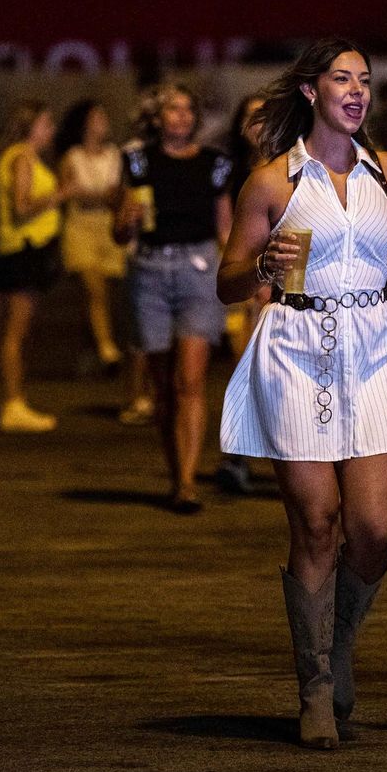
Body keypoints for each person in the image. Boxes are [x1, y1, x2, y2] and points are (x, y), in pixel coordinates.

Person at [218, 38, 387, 749]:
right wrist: (261, 261)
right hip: (296, 350)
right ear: (313, 91)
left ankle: (338, 639)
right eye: (342, 79)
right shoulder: (272, 183)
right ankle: (315, 685)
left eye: (365, 80)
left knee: (375, 531)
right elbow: (229, 284)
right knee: (316, 522)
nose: (357, 90)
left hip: (376, 349)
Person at [115, 83, 233, 514]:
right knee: (163, 385)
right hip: (149, 268)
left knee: (191, 381)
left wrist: (246, 272)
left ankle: (187, 481)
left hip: (198, 268)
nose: (181, 117)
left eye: (188, 109)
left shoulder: (216, 163)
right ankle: (174, 473)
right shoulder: (138, 160)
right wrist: (123, 221)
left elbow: (225, 226)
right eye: (172, 109)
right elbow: (121, 230)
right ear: (157, 117)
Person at [0, 100, 68, 433]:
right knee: (14, 334)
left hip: (19, 252)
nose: (50, 130)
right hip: (22, 253)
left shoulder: (19, 155)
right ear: (30, 126)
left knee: (8, 331)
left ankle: (11, 400)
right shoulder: (22, 156)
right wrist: (60, 194)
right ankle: (13, 403)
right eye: (46, 123)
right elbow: (22, 208)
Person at [218, 90, 271, 495]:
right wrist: (249, 278)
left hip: (282, 283)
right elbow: (224, 227)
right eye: (250, 116)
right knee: (243, 368)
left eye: (264, 116)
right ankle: (236, 456)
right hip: (242, 277)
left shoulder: (291, 167)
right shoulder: (232, 170)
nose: (258, 124)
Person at [56, 99, 126, 373]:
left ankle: (92, 349)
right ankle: (107, 349)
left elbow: (117, 192)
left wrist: (95, 195)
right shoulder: (72, 157)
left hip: (108, 228)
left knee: (106, 296)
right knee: (93, 288)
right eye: (97, 117)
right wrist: (100, 195)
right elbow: (69, 193)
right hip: (80, 228)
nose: (103, 122)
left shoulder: (114, 155)